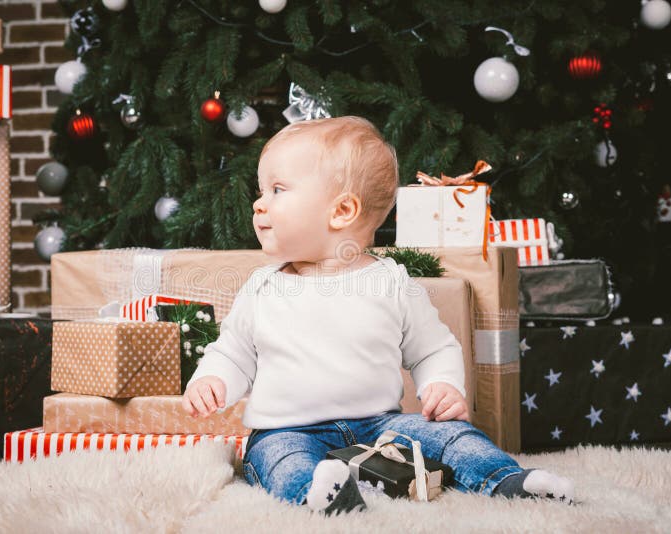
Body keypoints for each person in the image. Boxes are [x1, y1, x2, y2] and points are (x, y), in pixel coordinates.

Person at [182, 116, 574, 514]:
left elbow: (432, 348)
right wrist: (213, 379)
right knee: (280, 459)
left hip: (380, 426)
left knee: (450, 436)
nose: (259, 202)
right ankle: (319, 494)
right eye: (261, 190)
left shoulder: (390, 282)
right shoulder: (262, 288)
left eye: (278, 189)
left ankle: (505, 479)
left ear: (342, 211)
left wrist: (442, 384)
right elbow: (232, 352)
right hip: (286, 428)